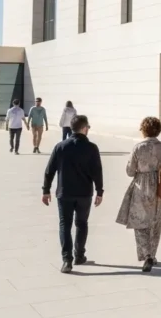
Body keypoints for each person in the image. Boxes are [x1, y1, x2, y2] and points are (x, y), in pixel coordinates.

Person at [41, 114, 103, 273]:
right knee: (82, 223)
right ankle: (79, 255)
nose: (88, 129)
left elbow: (49, 171)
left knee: (65, 224)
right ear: (83, 128)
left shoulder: (61, 146)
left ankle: (67, 260)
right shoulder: (91, 148)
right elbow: (97, 171)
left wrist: (46, 190)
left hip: (64, 193)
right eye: (88, 127)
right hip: (84, 194)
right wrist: (99, 191)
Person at [116, 117, 161, 273]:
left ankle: (147, 255)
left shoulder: (138, 147)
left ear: (143, 130)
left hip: (142, 187)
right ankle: (153, 255)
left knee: (140, 223)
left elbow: (130, 171)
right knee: (156, 223)